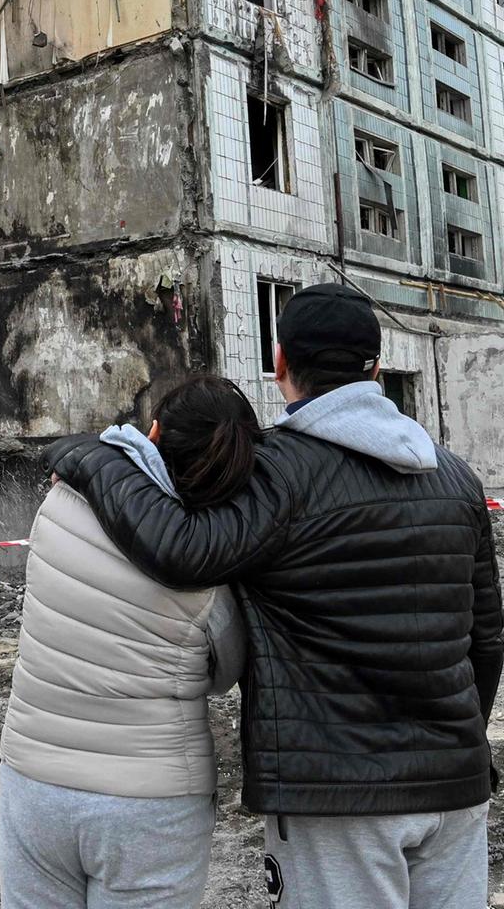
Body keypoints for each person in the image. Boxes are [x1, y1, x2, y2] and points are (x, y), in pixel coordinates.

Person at [48, 284, 504, 909]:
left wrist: (90, 458)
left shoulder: (279, 471)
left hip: (335, 798)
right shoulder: (455, 475)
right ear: (375, 366)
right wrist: (459, 747)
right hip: (455, 788)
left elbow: (182, 549)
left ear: (280, 362)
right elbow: (486, 637)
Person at [0, 375, 261, 908]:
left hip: (33, 782)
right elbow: (224, 674)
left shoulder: (61, 498)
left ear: (155, 430)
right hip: (153, 800)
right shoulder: (214, 564)